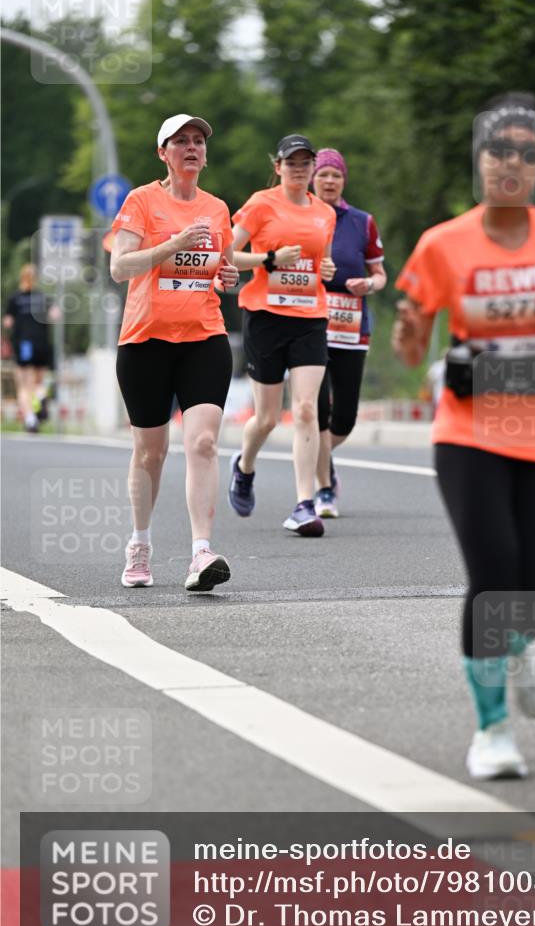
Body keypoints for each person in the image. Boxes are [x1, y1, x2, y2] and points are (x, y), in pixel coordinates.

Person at [393, 92, 535, 780]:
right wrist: (405, 333)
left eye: (525, 152)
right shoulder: (443, 244)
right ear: (479, 160)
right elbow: (409, 351)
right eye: (498, 150)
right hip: (468, 433)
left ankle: (518, 645)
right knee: (492, 577)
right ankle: (491, 729)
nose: (510, 163)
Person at [110, 113, 239, 591]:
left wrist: (228, 278)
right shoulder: (142, 201)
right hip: (145, 341)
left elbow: (214, 269)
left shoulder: (218, 208)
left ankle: (200, 553)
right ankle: (140, 542)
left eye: (198, 141)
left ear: (205, 154)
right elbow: (120, 267)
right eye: (180, 141)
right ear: (162, 152)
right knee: (151, 453)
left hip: (204, 336)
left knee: (203, 442)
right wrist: (172, 244)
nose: (191, 147)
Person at [228, 134, 336, 536]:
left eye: (305, 163)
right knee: (267, 418)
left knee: (307, 408)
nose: (299, 169)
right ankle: (244, 466)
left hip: (310, 316)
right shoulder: (261, 204)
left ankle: (304, 504)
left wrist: (325, 270)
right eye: (291, 162)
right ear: (278, 167)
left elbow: (321, 261)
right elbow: (228, 254)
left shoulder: (325, 213)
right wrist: (269, 259)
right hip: (265, 316)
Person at [310, 148, 387, 518]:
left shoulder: (362, 222)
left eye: (335, 175)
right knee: (316, 412)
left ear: (343, 181)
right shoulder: (301, 216)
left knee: (344, 418)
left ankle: (321, 458)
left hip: (352, 326)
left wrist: (368, 285)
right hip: (307, 325)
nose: (329, 181)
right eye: (323, 174)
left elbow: (381, 274)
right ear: (312, 178)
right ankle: (324, 489)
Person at [3, 263, 59, 432]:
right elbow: (55, 314)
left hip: (24, 344)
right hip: (41, 343)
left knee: (24, 385)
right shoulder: (43, 297)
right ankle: (41, 397)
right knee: (39, 381)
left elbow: (7, 322)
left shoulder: (15, 299)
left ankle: (30, 420)